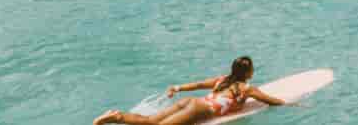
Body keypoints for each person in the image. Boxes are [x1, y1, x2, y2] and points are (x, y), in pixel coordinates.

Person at [93, 56, 286, 125]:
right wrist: (292, 104)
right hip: (200, 110)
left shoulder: (222, 80)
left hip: (192, 102)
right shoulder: (247, 89)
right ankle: (115, 117)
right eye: (252, 68)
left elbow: (197, 85)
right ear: (248, 72)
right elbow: (270, 100)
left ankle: (116, 117)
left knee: (151, 121)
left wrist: (176, 88)